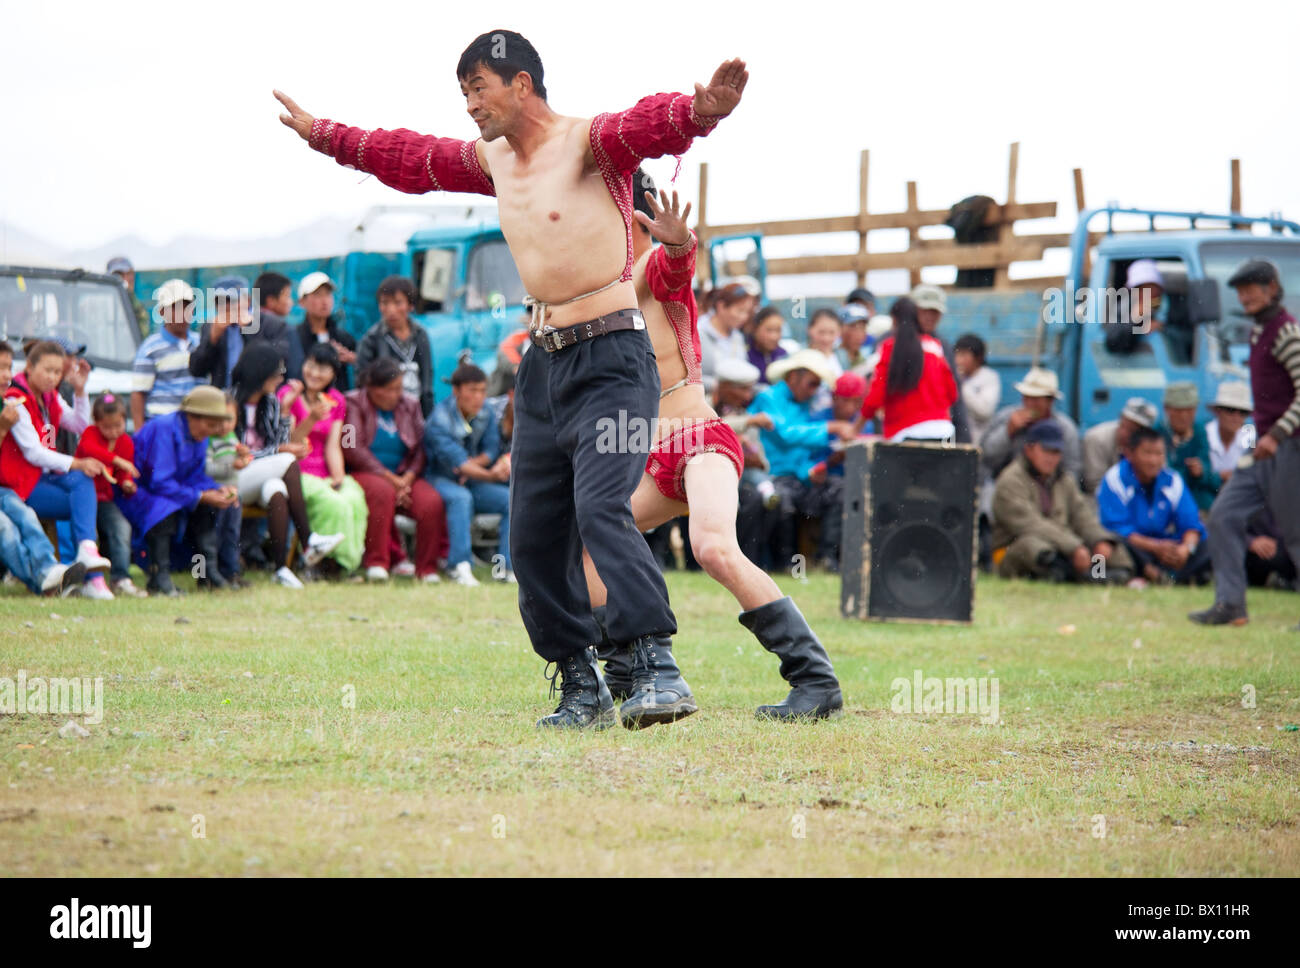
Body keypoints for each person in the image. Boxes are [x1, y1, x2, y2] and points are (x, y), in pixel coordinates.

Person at [277, 31, 747, 728]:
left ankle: (653, 667)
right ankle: (580, 686)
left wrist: (701, 112)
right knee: (528, 536)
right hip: (543, 363)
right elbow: (408, 157)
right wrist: (327, 137)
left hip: (615, 358)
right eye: (463, 92)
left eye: (478, 88)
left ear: (521, 85)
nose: (470, 104)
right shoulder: (491, 160)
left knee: (601, 509)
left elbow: (649, 121)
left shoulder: (591, 143)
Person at [584, 184, 842, 719]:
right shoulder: (595, 289)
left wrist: (680, 244)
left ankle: (815, 682)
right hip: (647, 456)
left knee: (713, 548)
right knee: (588, 539)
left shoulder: (652, 266)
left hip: (699, 439)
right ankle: (630, 679)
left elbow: (676, 271)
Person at [1190, 259, 1300, 626]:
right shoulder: (1258, 332)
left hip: (1289, 446)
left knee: (1295, 531)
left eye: (1251, 288)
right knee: (1224, 515)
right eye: (1239, 290)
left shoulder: (1287, 333)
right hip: (1265, 448)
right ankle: (1231, 603)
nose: (1244, 296)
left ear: (1272, 287)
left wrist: (1278, 434)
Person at [0, 340, 113, 597]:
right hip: (19, 485)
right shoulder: (15, 399)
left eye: (57, 372)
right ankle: (50, 575)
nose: (53, 377)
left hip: (40, 480)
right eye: (47, 371)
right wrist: (76, 462)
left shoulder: (49, 396)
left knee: (83, 482)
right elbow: (33, 452)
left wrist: (81, 391)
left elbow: (81, 424)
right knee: (14, 524)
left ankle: (89, 567)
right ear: (29, 367)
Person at [230, 342, 344, 588]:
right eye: (277, 373)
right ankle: (309, 540)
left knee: (276, 489)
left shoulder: (270, 402)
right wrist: (278, 451)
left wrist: (285, 410)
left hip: (256, 475)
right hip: (231, 475)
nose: (281, 378)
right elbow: (234, 453)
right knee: (288, 459)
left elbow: (278, 442)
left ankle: (281, 568)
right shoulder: (229, 401)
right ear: (261, 372)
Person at [118, 386, 232, 596]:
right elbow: (159, 481)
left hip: (171, 490)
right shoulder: (164, 429)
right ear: (192, 417)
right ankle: (158, 578)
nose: (211, 431)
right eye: (209, 424)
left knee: (207, 507)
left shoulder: (199, 434)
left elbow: (195, 476)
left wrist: (215, 489)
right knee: (166, 509)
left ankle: (204, 574)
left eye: (215, 426)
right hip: (136, 491)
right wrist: (199, 495)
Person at [343, 358, 446, 583]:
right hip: (365, 473)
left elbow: (421, 447)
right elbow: (351, 448)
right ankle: (377, 563)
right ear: (372, 388)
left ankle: (426, 568)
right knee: (382, 492)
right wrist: (389, 478)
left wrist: (408, 477)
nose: (397, 395)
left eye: (399, 388)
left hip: (404, 476)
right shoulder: (352, 403)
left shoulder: (410, 405)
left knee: (431, 502)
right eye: (390, 390)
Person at [751, 349, 856, 570]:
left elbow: (803, 444)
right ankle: (785, 564)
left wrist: (814, 469)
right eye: (812, 383)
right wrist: (831, 427)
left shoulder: (808, 402)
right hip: (775, 475)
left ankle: (827, 559)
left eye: (818, 385)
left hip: (802, 476)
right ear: (793, 377)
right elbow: (787, 434)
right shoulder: (768, 398)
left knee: (841, 489)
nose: (815, 390)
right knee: (783, 500)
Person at [992, 419, 1132, 583]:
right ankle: (1075, 575)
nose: (1051, 458)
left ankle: (1096, 576)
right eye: (1046, 450)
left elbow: (1083, 517)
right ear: (1029, 449)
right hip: (1015, 551)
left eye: (1056, 452)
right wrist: (1074, 547)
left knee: (1110, 548)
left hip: (1064, 545)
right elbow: (1031, 525)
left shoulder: (1064, 479)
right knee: (1035, 548)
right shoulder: (1010, 481)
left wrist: (1100, 540)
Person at [278, 343, 368, 576]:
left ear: (333, 374)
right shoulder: (288, 394)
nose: (315, 374)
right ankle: (316, 562)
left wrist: (338, 478)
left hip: (325, 471)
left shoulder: (336, 399)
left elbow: (333, 445)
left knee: (353, 498)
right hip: (295, 469)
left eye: (323, 369)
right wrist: (312, 419)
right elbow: (290, 444)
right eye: (311, 366)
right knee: (332, 504)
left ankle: (343, 565)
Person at [423, 361, 510, 586]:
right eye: (472, 390)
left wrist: (476, 466)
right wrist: (490, 475)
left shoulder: (487, 411)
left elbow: (491, 449)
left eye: (482, 390)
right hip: (439, 478)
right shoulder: (439, 419)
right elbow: (457, 463)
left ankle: (506, 567)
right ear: (456, 390)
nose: (479, 397)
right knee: (461, 498)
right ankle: (458, 566)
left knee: (512, 499)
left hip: (473, 478)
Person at [1099, 426, 1210, 587]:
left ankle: (1164, 576)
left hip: (1165, 548)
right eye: (1147, 453)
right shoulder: (1115, 479)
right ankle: (1161, 575)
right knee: (1113, 543)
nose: (1154, 460)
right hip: (1137, 547)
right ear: (1130, 454)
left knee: (1208, 541)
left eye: (1159, 454)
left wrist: (1185, 550)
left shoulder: (1172, 479)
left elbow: (1191, 523)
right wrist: (1155, 547)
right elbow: (1117, 528)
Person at [73, 394, 149, 597]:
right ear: (97, 423)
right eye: (107, 427)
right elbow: (89, 449)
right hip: (81, 497)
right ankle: (80, 579)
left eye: (119, 425)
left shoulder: (125, 442)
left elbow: (124, 472)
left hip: (106, 499)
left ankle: (121, 577)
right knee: (85, 537)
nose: (114, 431)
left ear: (125, 420)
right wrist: (118, 461)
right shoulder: (90, 434)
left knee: (121, 529)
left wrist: (127, 483)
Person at [856, 296, 958, 442]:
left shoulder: (889, 348)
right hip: (943, 432)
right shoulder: (935, 346)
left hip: (904, 432)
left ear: (894, 320)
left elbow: (876, 394)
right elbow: (952, 394)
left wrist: (857, 427)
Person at [711, 357, 778, 561]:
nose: (748, 396)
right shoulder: (703, 404)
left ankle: (747, 559)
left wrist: (757, 460)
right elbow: (712, 426)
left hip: (743, 474)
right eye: (743, 389)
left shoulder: (742, 412)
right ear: (724, 386)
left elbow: (759, 453)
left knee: (759, 501)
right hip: (711, 474)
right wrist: (749, 421)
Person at [805, 371, 868, 571]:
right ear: (834, 398)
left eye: (857, 402)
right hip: (818, 487)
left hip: (856, 483)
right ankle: (827, 557)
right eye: (846, 400)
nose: (852, 407)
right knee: (840, 492)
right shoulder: (818, 421)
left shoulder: (864, 423)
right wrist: (833, 460)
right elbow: (808, 460)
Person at [190, 276, 291, 393]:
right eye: (220, 301)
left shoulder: (270, 324)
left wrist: (249, 331)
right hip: (223, 399)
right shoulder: (211, 327)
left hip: (258, 397)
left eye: (231, 301)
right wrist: (212, 340)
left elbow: (277, 363)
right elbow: (196, 370)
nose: (226, 307)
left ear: (247, 301)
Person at [980, 366, 1082, 481]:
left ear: (1050, 401)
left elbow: (1072, 469)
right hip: (1005, 485)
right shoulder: (1005, 417)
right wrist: (1008, 431)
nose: (1029, 404)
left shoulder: (1065, 428)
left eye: (1035, 399)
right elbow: (987, 457)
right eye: (1026, 397)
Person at [355, 276, 435, 418]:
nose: (391, 310)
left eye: (398, 303)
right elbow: (362, 381)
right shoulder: (372, 339)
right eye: (385, 303)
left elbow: (427, 378)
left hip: (417, 413)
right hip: (385, 415)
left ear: (410, 305)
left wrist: (428, 415)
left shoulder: (421, 335)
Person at [131, 279, 201, 428]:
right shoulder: (150, 348)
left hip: (196, 428)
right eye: (175, 308)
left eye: (186, 307)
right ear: (162, 312)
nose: (182, 313)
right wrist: (140, 434)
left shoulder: (201, 344)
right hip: (162, 428)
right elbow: (138, 394)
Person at [198, 394, 251, 588]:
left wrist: (244, 458)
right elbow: (207, 467)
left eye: (229, 419)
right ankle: (208, 576)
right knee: (212, 535)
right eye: (218, 420)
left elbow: (239, 462)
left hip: (232, 494)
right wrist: (232, 466)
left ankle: (231, 572)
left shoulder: (232, 437)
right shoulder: (208, 441)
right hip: (213, 495)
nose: (223, 425)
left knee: (231, 533)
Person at [911, 283, 971, 442]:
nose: (929, 316)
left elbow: (954, 393)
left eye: (935, 311)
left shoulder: (943, 346)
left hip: (935, 431)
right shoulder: (893, 342)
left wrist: (964, 439)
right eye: (925, 310)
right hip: (903, 430)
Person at [290, 272, 358, 390]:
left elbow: (366, 364)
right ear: (302, 302)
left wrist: (351, 358)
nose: (324, 301)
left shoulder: (343, 337)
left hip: (337, 405)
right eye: (317, 295)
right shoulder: (294, 336)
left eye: (328, 294)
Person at [1161, 381, 1220, 513]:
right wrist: (1191, 472)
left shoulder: (1247, 431)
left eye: (1189, 410)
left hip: (1200, 499)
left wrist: (1201, 472)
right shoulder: (1158, 434)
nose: (1184, 416)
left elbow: (1210, 473)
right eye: (1178, 410)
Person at [1081, 397, 1159, 494]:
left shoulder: (1150, 445)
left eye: (1133, 430)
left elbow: (1157, 479)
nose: (1125, 433)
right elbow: (1094, 483)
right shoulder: (1097, 438)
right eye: (1123, 425)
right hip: (1100, 499)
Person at [699, 280, 756, 393]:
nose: (744, 317)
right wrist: (721, 387)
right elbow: (688, 378)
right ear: (721, 306)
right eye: (740, 310)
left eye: (747, 312)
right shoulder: (698, 334)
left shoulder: (737, 337)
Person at [1103, 259, 1164, 355]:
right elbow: (1113, 343)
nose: (1149, 294)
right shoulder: (1124, 307)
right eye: (1142, 288)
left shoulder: (1166, 305)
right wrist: (1134, 321)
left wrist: (1162, 327)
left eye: (1153, 288)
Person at [953, 333, 1000, 444]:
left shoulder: (989, 377)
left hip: (978, 440)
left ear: (978, 357)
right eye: (957, 355)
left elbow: (985, 411)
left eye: (964, 355)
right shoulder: (953, 376)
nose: (958, 360)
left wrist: (960, 385)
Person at [1205, 381, 1253, 483]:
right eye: (1230, 410)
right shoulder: (1204, 434)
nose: (1236, 417)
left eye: (1243, 412)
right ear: (1218, 411)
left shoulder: (1250, 437)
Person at [803, 307, 843, 411]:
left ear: (839, 332)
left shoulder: (842, 358)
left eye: (831, 333)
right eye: (821, 332)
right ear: (809, 330)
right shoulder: (801, 358)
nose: (826, 338)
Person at [107, 256, 150, 340]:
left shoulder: (135, 304)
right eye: (119, 274)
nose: (126, 279)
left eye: (129, 274)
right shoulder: (100, 306)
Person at [747, 306, 788, 384]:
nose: (774, 337)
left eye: (778, 330)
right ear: (755, 329)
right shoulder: (746, 355)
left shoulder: (783, 355)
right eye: (769, 330)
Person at [835, 304, 872, 373]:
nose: (859, 334)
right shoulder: (831, 359)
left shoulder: (867, 361)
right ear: (840, 328)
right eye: (853, 327)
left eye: (863, 327)